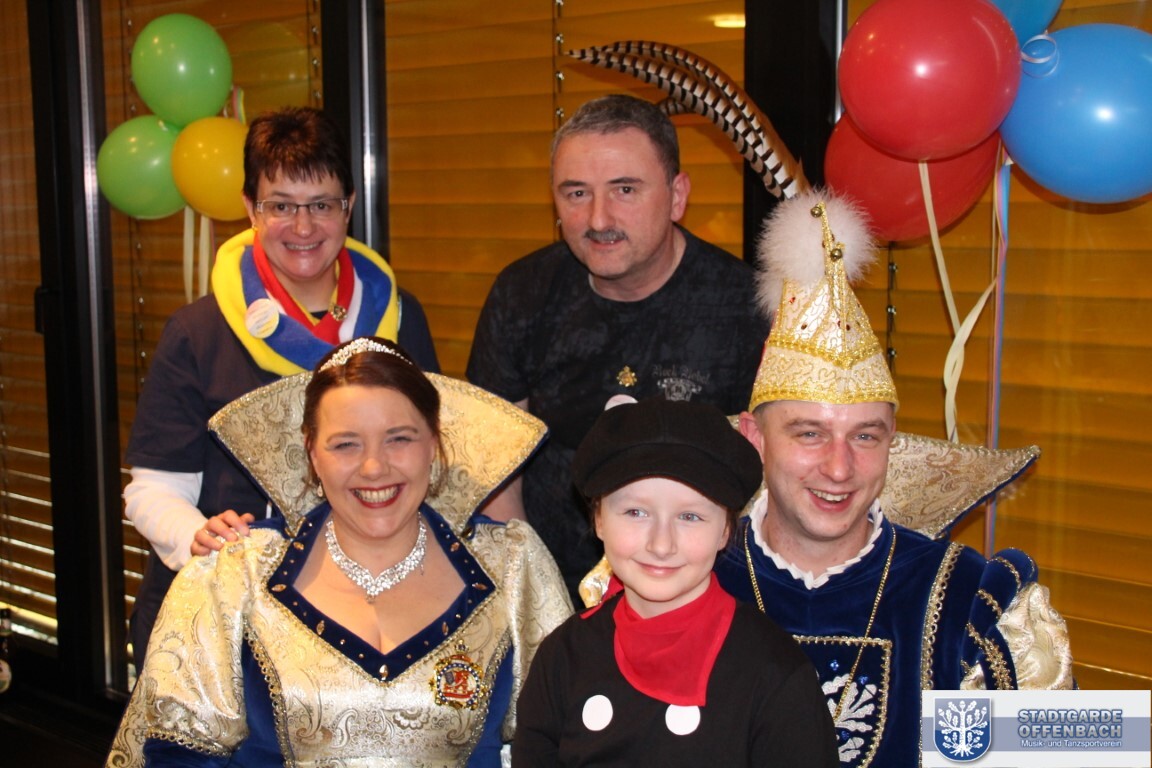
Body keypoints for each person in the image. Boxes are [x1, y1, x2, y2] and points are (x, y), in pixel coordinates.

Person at [712, 190, 1075, 766]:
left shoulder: (967, 605)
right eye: (809, 433)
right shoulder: (682, 576)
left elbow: (1068, 752)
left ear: (891, 440)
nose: (839, 468)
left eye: (865, 436)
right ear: (755, 438)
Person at [106, 337, 572, 767]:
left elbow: (559, 743)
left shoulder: (511, 567)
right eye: (346, 444)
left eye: (399, 438)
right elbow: (176, 751)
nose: (374, 467)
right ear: (312, 453)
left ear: (433, 443)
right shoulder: (234, 574)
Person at [123, 106, 440, 672]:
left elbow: (430, 457)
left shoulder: (397, 317)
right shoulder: (199, 332)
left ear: (348, 206)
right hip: (224, 614)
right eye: (281, 206)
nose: (303, 227)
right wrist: (198, 535)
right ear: (250, 208)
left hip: (358, 613)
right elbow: (151, 491)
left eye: (321, 205)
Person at [467, 94, 770, 599]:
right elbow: (494, 469)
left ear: (677, 196)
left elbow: (766, 484)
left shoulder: (747, 307)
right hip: (550, 589)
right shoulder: (522, 293)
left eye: (625, 189)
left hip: (698, 592)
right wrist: (535, 602)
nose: (598, 219)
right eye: (576, 193)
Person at [513, 397, 838, 766]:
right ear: (599, 519)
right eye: (636, 512)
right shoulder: (563, 657)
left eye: (689, 516)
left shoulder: (774, 672)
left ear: (725, 530)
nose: (661, 544)